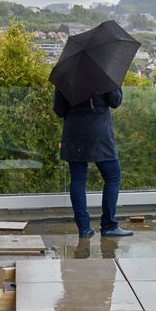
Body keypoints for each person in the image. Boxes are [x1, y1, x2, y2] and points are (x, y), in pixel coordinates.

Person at [54, 87, 133, 237]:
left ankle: (84, 228)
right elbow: (115, 101)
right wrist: (115, 84)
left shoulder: (67, 74)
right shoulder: (103, 71)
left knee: (77, 179)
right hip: (99, 134)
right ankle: (109, 225)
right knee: (113, 177)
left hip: (74, 133)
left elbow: (59, 110)